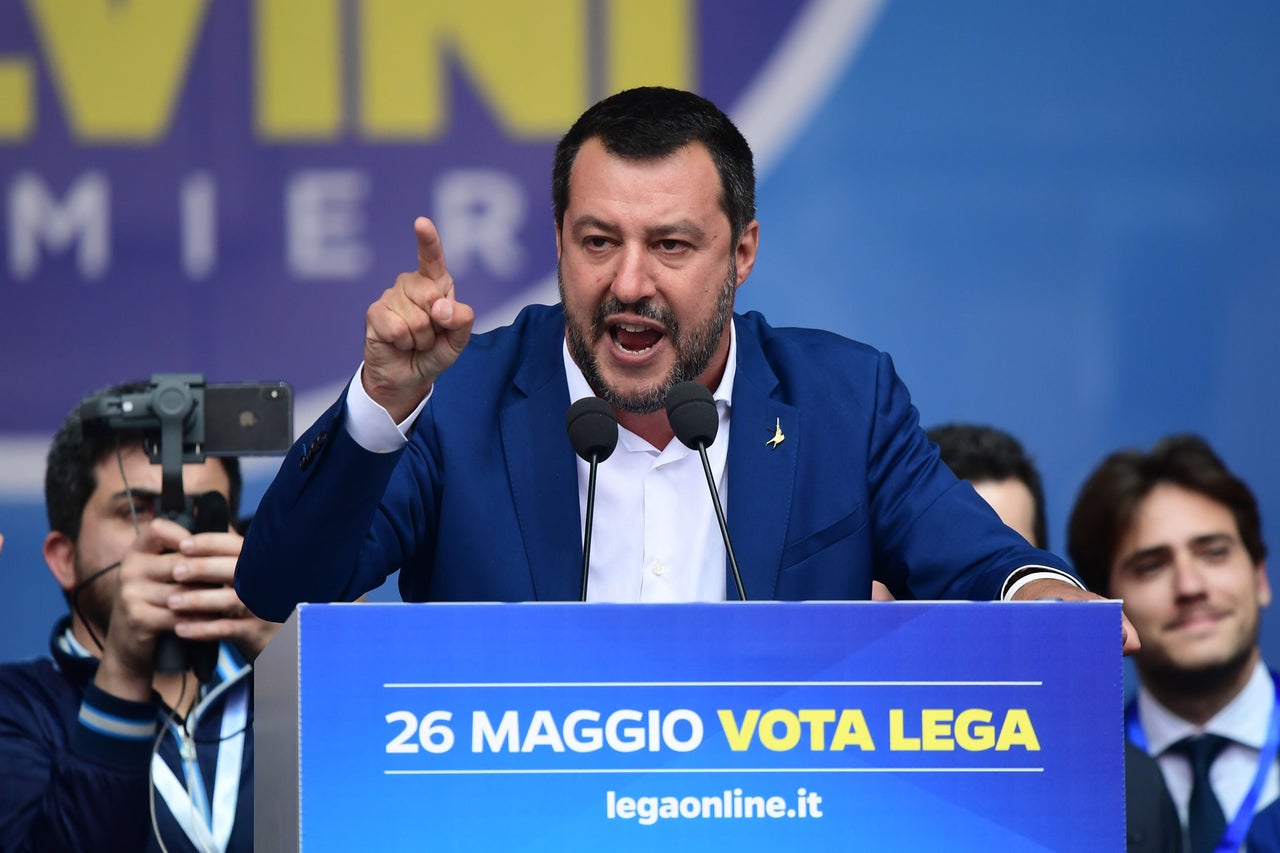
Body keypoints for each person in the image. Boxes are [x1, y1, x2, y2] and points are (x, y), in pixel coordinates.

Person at [234, 86, 1133, 648]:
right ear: (557, 242)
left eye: (670, 244)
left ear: (741, 252)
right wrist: (383, 402)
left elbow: (981, 562)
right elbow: (279, 583)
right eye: (597, 241)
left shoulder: (840, 402)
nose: (629, 282)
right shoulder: (464, 395)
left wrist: (1045, 592)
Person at [0, 381, 277, 852]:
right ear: (63, 557)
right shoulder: (16, 708)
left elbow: (393, 813)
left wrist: (302, 660)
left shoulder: (287, 681)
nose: (171, 536)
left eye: (203, 512)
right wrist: (126, 669)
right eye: (138, 510)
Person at [923, 423, 1180, 852]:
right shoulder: (831, 774)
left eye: (1002, 563)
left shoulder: (1127, 785)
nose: (984, 587)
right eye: (957, 566)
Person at [1068, 434, 1275, 853]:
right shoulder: (1079, 779)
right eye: (1152, 566)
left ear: (1259, 578)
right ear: (1106, 604)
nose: (1190, 586)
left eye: (1213, 553)